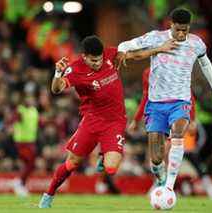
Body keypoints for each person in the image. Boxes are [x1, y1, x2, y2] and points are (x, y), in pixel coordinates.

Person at [38, 35, 177, 208]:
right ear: (84, 57)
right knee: (72, 163)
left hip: (115, 121)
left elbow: (134, 55)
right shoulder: (75, 70)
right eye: (94, 60)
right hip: (92, 120)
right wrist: (58, 73)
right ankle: (48, 195)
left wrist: (159, 49)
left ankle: (104, 155)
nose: (98, 63)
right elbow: (56, 89)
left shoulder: (109, 54)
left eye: (100, 59)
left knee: (111, 169)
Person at [118, 8, 212, 191]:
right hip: (156, 103)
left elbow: (205, 63)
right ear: (171, 25)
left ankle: (169, 186)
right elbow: (125, 45)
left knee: (178, 134)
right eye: (179, 29)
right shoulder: (156, 37)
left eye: (186, 29)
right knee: (156, 157)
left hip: (180, 101)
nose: (182, 33)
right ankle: (160, 175)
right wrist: (121, 52)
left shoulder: (196, 43)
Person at [11, 95, 39, 197]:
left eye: (31, 98)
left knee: (30, 164)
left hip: (31, 141)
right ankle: (20, 183)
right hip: (21, 142)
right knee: (29, 162)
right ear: (23, 100)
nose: (30, 100)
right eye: (28, 98)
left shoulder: (34, 111)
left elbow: (38, 123)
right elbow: (15, 119)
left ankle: (20, 182)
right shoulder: (20, 110)